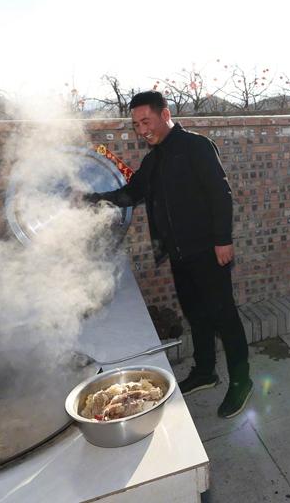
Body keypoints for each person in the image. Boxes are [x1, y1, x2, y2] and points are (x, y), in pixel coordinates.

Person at [84, 91, 252, 418]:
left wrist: (223, 240)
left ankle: (241, 381)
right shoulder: (154, 160)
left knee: (224, 317)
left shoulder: (196, 147)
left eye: (146, 121)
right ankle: (205, 371)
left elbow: (221, 194)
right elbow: (131, 193)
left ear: (165, 114)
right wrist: (90, 199)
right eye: (136, 125)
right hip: (179, 254)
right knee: (195, 314)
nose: (142, 130)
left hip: (208, 250)